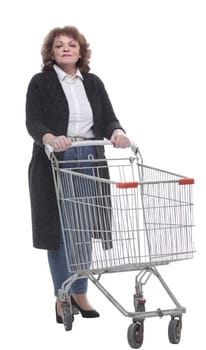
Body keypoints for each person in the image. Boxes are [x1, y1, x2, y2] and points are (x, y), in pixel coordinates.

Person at [26, 25, 132, 324]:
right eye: (59, 46)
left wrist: (118, 131)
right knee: (61, 231)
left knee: (85, 228)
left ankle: (81, 291)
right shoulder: (40, 82)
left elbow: (108, 117)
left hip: (90, 159)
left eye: (72, 45)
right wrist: (49, 137)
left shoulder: (93, 82)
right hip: (56, 162)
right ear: (51, 53)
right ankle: (63, 295)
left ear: (81, 50)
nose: (66, 49)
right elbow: (33, 121)